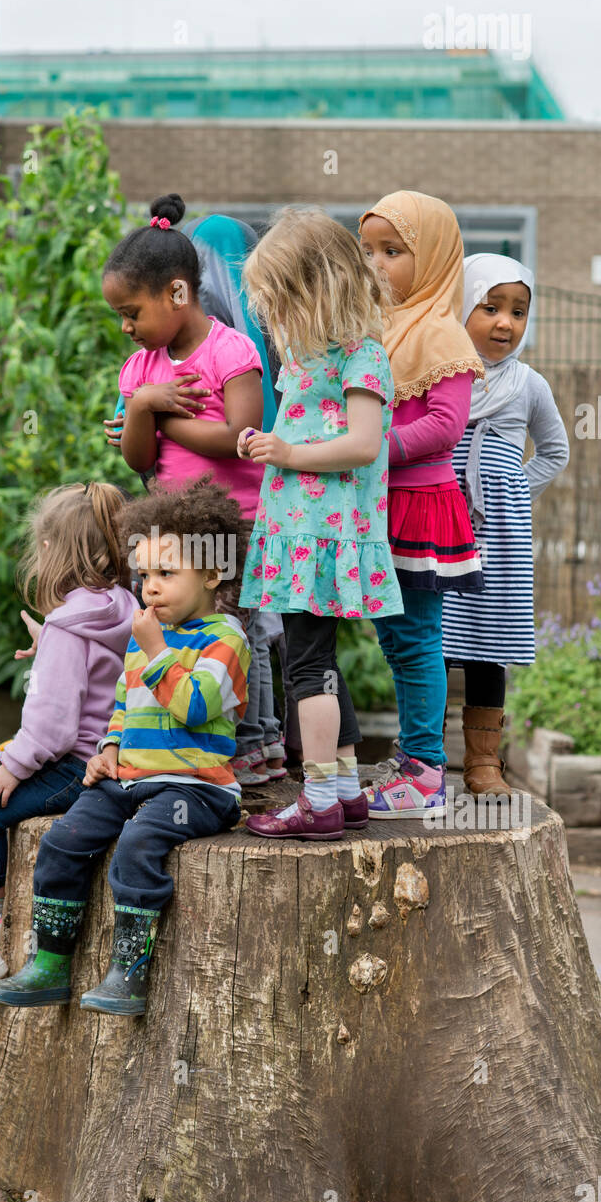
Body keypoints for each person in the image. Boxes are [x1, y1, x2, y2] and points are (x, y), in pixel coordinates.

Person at [0, 477, 250, 1015]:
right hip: (128, 777)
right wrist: (108, 748)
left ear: (210, 574)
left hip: (195, 788)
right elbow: (126, 704)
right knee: (62, 841)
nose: (150, 587)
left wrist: (156, 653)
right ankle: (51, 964)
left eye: (167, 574)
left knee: (135, 849)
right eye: (145, 574)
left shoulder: (225, 639)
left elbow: (196, 706)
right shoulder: (144, 633)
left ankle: (127, 973)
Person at [0, 483, 139, 1005]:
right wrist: (49, 648)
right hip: (109, 758)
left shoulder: (67, 626)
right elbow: (98, 683)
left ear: (51, 553)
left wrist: (13, 766)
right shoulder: (123, 608)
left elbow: (53, 724)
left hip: (69, 767)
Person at [102, 194, 283, 785]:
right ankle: (182, 739)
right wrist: (143, 408)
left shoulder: (230, 351)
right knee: (172, 626)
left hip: (234, 521)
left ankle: (256, 742)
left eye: (133, 312)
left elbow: (240, 436)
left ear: (177, 293)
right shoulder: (140, 370)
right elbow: (138, 458)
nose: (127, 327)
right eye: (121, 316)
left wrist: (159, 414)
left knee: (235, 628)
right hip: (164, 530)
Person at [236, 207, 404, 840]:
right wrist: (268, 442)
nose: (273, 315)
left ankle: (318, 800)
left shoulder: (363, 355)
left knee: (307, 667)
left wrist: (287, 454)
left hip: (322, 537)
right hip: (296, 535)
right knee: (319, 661)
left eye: (281, 300)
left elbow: (362, 443)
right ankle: (345, 790)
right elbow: (305, 428)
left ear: (319, 289)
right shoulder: (308, 357)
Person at [358, 191, 485, 819]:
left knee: (414, 640)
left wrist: (373, 446)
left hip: (417, 506)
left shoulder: (439, 332)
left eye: (393, 250)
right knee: (396, 636)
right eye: (369, 250)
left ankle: (426, 773)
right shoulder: (379, 328)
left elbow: (445, 425)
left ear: (432, 257)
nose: (376, 263)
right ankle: (416, 761)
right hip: (381, 504)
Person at [443, 253, 569, 794]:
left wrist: (512, 496)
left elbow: (554, 452)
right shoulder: (439, 374)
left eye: (519, 312)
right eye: (490, 307)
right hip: (436, 527)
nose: (505, 323)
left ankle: (482, 765)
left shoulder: (528, 385)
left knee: (487, 644)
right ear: (459, 306)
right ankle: (421, 757)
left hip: (498, 538)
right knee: (430, 638)